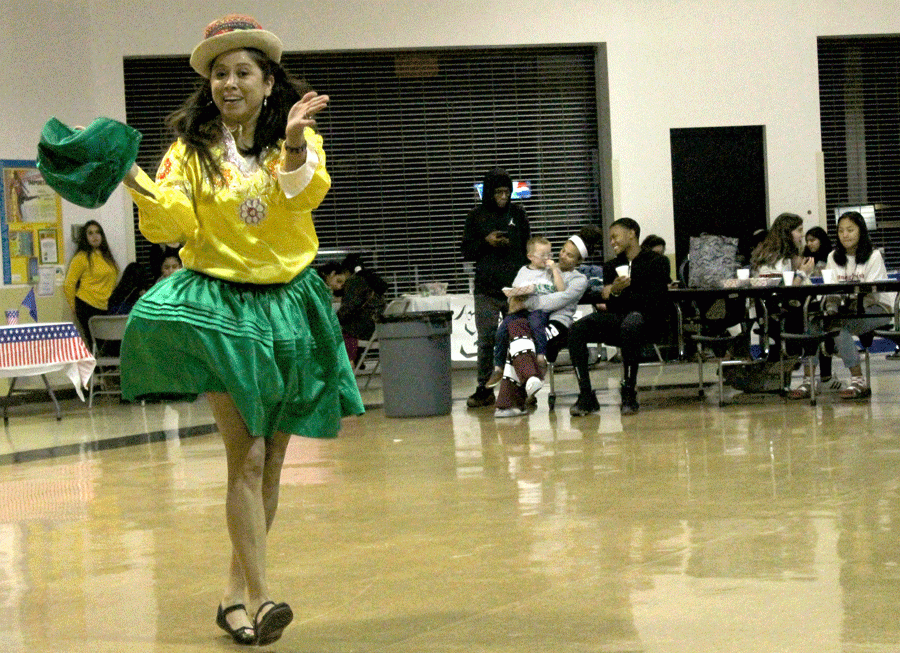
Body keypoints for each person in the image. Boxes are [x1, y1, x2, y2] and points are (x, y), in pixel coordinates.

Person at [119, 14, 364, 646]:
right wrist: (130, 175)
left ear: (267, 81)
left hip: (289, 306)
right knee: (248, 453)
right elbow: (167, 222)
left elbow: (303, 196)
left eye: (243, 72)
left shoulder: (298, 139)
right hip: (223, 311)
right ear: (208, 86)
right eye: (219, 73)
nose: (230, 83)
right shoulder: (188, 153)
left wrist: (293, 146)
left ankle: (232, 596)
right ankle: (261, 596)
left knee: (274, 458)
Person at [492, 225, 602, 417]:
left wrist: (525, 303)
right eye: (562, 251)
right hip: (535, 317)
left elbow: (555, 301)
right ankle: (516, 395)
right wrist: (515, 301)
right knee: (515, 329)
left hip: (558, 323)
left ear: (578, 261)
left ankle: (519, 393)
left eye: (570, 255)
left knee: (525, 341)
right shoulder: (547, 267)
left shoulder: (579, 279)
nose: (562, 256)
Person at [568, 218, 670, 416]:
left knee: (632, 322)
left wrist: (623, 293)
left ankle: (629, 391)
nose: (612, 242)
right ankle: (586, 395)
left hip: (648, 321)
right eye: (610, 238)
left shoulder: (657, 262)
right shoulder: (611, 266)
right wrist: (614, 291)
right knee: (577, 329)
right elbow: (613, 305)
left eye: (615, 236)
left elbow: (654, 301)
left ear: (631, 233)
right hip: (620, 318)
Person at [788, 211, 895, 400]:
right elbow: (832, 290)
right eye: (841, 231)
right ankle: (808, 379)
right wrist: (831, 309)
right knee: (813, 322)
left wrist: (845, 307)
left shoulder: (874, 256)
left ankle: (858, 380)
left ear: (861, 231)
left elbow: (872, 292)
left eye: (850, 230)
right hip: (846, 309)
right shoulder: (833, 257)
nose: (845, 235)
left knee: (839, 326)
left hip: (877, 309)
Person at [461, 167, 530, 408]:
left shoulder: (518, 214)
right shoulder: (476, 216)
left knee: (520, 339)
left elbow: (528, 247)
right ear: (489, 193)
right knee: (486, 340)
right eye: (498, 192)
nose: (503, 196)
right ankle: (484, 389)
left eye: (507, 191)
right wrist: (486, 242)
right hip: (487, 290)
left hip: (516, 289)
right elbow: (466, 251)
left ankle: (523, 387)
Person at [485, 236, 565, 391]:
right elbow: (515, 291)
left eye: (549, 254)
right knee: (502, 330)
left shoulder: (550, 271)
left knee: (537, 324)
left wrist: (554, 269)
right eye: (543, 255)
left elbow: (561, 290)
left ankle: (541, 357)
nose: (547, 258)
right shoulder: (523, 271)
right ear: (530, 257)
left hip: (538, 308)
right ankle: (498, 367)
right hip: (521, 308)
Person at [64, 220, 119, 350]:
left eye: (98, 232)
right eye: (90, 233)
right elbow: (69, 284)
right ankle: (103, 370)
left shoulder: (106, 256)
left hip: (105, 304)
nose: (95, 236)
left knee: (109, 343)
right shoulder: (81, 257)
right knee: (99, 345)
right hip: (86, 305)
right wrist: (73, 307)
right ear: (85, 237)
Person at [336, 253, 389, 365]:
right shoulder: (370, 278)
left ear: (346, 271)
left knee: (343, 332)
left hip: (366, 328)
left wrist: (334, 319)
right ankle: (357, 359)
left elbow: (348, 308)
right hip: (379, 327)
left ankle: (349, 365)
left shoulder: (354, 281)